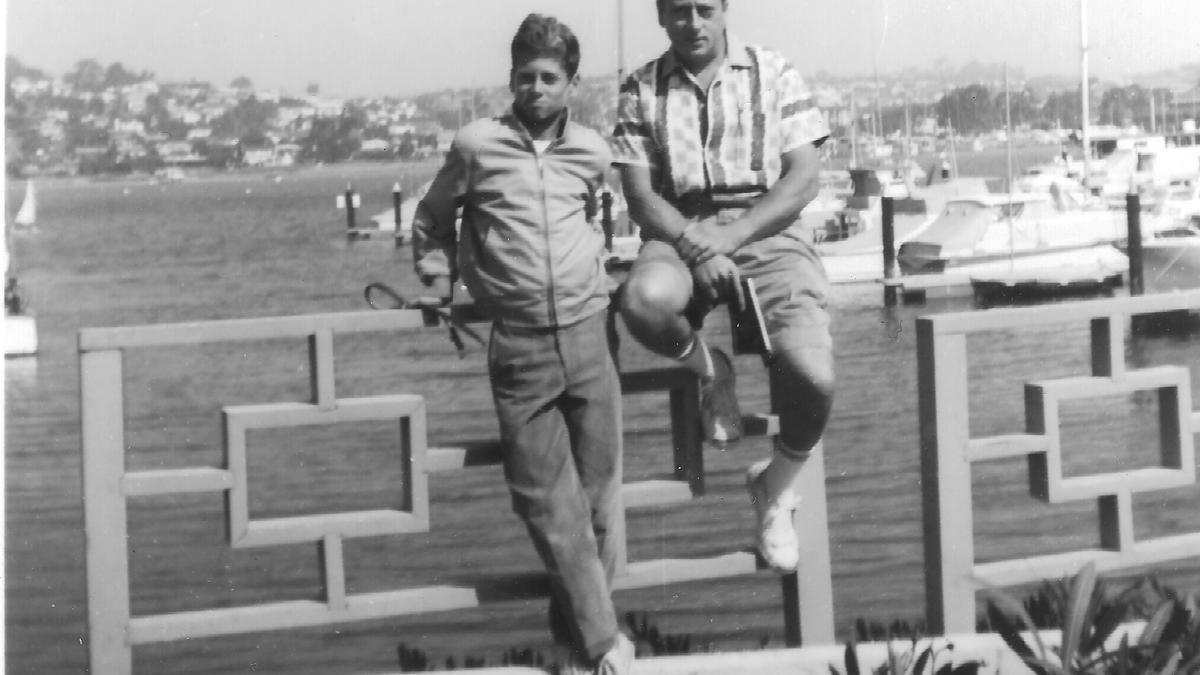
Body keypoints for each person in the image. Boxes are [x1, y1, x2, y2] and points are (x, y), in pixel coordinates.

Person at [411, 13, 634, 675]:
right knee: (547, 503)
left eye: (550, 77)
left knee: (600, 504)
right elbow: (431, 218)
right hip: (520, 346)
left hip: (593, 334)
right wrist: (437, 278)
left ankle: (577, 647)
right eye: (525, 76)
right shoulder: (478, 145)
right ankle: (602, 644)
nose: (536, 88)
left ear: (570, 84)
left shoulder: (592, 151)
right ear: (511, 80)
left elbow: (602, 215)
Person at [610, 0, 834, 573]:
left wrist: (733, 235)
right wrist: (693, 242)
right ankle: (713, 369)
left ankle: (776, 486)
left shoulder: (773, 70)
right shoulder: (640, 87)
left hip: (765, 227)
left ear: (725, 8)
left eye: (704, 8)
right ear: (661, 16)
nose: (693, 22)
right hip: (678, 228)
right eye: (678, 11)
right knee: (643, 302)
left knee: (812, 374)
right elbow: (640, 196)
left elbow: (804, 176)